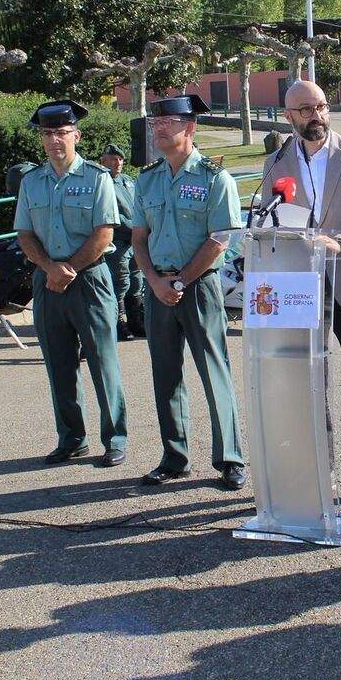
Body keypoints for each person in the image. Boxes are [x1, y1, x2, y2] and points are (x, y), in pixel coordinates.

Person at [259, 80, 341, 507]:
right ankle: (317, 473)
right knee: (307, 386)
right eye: (304, 110)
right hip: (300, 289)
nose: (315, 116)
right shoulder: (277, 162)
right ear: (288, 117)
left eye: (320, 106)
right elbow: (268, 218)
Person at [130, 95, 246, 491]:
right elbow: (138, 237)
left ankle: (230, 458)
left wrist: (178, 282)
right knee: (165, 374)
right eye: (155, 122)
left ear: (190, 128)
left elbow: (220, 239)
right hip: (158, 288)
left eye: (169, 122)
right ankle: (174, 456)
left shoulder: (215, 178)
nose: (159, 128)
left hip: (199, 287)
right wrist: (154, 281)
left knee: (214, 371)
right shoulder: (146, 179)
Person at [14, 100, 129, 468]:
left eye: (62, 133)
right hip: (46, 282)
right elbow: (25, 234)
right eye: (47, 134)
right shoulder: (31, 181)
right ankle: (72, 438)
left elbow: (104, 231)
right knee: (59, 365)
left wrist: (69, 269)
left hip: (90, 280)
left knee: (103, 362)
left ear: (76, 135)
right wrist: (49, 268)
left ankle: (115, 439)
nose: (54, 140)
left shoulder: (97, 178)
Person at [98, 143, 142, 341]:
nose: (118, 163)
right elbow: (112, 215)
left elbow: (138, 206)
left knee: (136, 280)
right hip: (119, 242)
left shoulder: (127, 181)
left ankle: (136, 321)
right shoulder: (102, 182)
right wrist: (135, 228)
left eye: (120, 159)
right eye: (113, 159)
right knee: (120, 283)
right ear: (103, 161)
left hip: (136, 242)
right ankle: (119, 323)